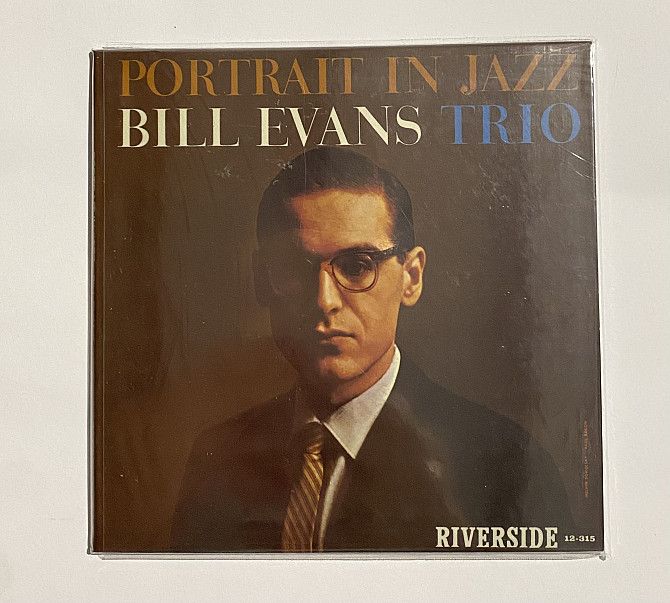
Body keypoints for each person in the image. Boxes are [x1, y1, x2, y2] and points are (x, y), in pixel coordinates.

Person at [171, 147, 574, 552]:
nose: (324, 300)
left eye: (357, 266)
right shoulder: (217, 458)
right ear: (262, 280)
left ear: (411, 277)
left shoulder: (505, 467)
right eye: (293, 267)